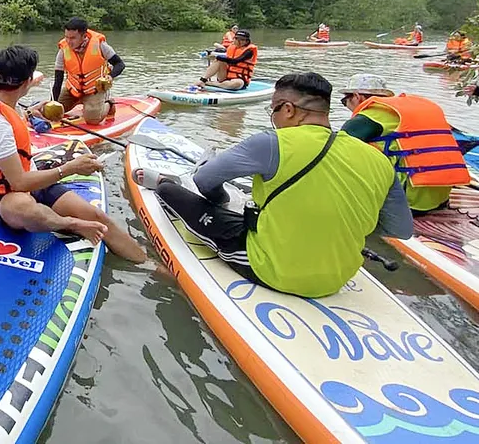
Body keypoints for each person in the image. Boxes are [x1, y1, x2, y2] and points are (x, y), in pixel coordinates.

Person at [153, 72, 412, 298]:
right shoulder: (378, 159)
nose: (273, 118)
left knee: (168, 190)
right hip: (338, 278)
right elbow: (399, 229)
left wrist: (219, 201)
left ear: (287, 109)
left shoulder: (271, 142)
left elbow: (203, 180)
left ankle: (164, 188)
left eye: (273, 110)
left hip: (273, 271)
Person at [0, 45, 146, 262]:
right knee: (29, 210)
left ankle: (146, 263)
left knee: (98, 216)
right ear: (28, 81)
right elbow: (19, 182)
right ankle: (69, 224)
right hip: (1, 195)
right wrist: (70, 168)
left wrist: (34, 111)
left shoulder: (9, 103)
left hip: (32, 180)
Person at [339, 73, 470, 214]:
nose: (346, 105)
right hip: (440, 197)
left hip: (407, 202)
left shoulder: (370, 116)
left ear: (357, 96)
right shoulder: (415, 110)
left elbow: (337, 149)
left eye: (345, 100)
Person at [30, 17, 125, 126]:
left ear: (84, 36)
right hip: (73, 90)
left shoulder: (100, 45)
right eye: (67, 37)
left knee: (92, 120)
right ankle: (81, 103)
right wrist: (53, 102)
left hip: (94, 89)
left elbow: (120, 64)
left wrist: (110, 76)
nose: (69, 41)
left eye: (73, 38)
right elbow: (58, 80)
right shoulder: (63, 50)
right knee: (52, 113)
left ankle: (109, 104)